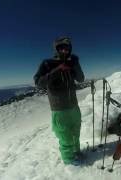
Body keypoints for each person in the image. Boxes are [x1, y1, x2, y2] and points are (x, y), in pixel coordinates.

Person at [33, 36, 85, 165]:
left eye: (67, 48)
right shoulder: (47, 64)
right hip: (59, 109)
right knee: (65, 136)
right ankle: (69, 160)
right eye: (61, 48)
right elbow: (38, 83)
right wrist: (57, 70)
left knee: (75, 133)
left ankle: (76, 152)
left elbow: (81, 79)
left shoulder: (71, 63)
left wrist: (76, 63)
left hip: (74, 106)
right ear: (56, 49)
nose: (64, 51)